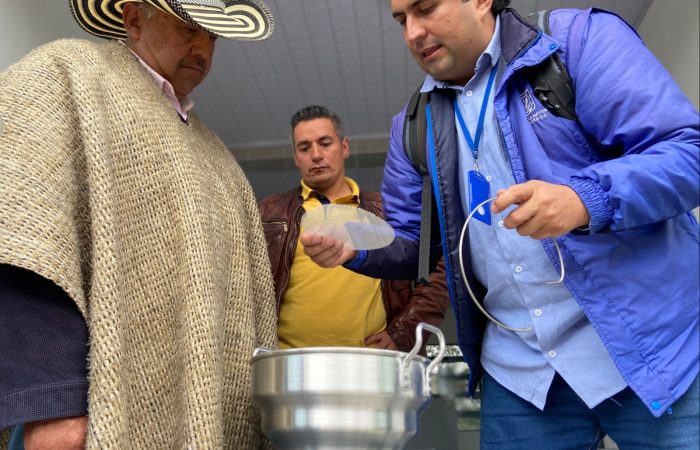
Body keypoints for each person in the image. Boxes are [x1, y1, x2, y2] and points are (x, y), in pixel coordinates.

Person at [300, 0, 700, 448]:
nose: (412, 32)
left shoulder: (577, 42)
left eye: (426, 8)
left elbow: (686, 153)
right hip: (521, 377)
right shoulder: (412, 127)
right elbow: (414, 242)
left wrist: (582, 200)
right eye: (401, 20)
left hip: (656, 349)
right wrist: (358, 249)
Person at [0, 1, 277, 449]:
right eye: (189, 27)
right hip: (80, 421)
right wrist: (49, 402)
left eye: (214, 36)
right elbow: (23, 225)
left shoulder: (219, 159)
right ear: (133, 19)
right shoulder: (70, 74)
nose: (203, 47)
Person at [258, 105, 448, 353]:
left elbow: (440, 269)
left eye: (325, 143)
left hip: (371, 365)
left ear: (344, 147)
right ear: (296, 157)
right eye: (305, 147)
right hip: (290, 366)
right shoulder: (269, 213)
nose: (316, 155)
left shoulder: (388, 211)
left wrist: (404, 330)